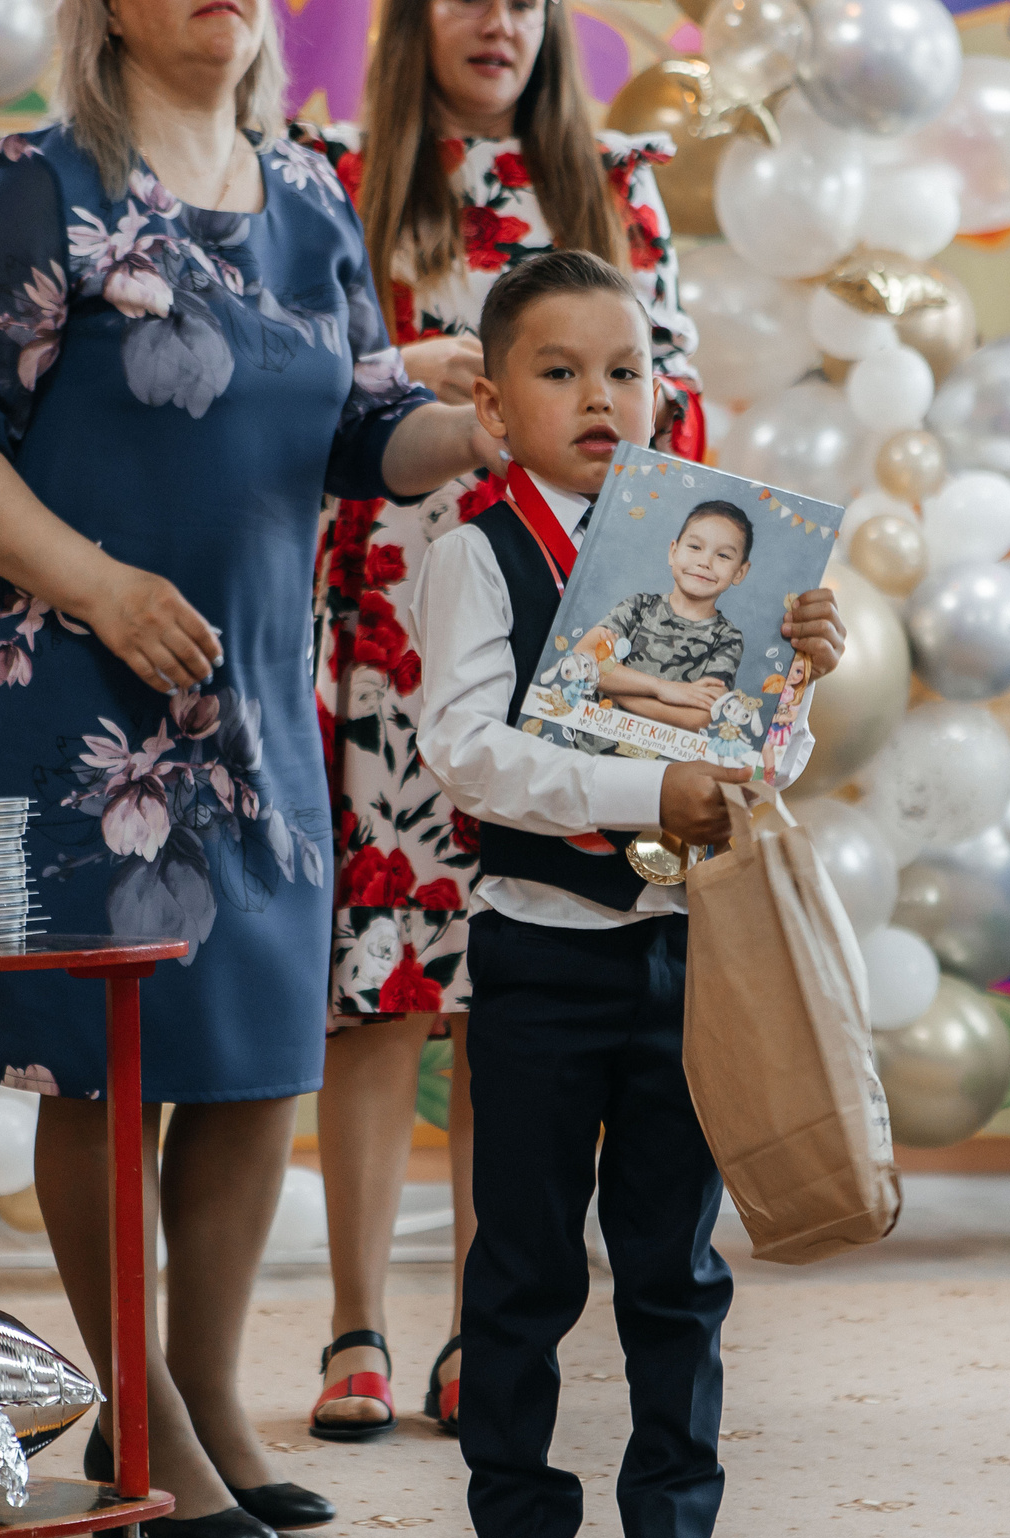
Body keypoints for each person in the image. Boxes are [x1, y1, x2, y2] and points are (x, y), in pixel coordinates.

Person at [0, 0, 493, 1538]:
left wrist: (475, 426)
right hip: (71, 681)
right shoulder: (40, 183)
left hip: (258, 679)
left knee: (254, 1051)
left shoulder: (311, 196)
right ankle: (132, 1411)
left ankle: (207, 1393)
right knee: (110, 1048)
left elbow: (362, 430)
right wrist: (96, 585)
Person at [409, 250, 842, 1538]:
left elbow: (753, 767)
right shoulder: (476, 553)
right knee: (524, 1264)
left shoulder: (707, 554)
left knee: (676, 1266)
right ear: (492, 403)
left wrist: (794, 683)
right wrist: (641, 790)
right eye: (559, 372)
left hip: (687, 958)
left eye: (624, 370)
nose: (599, 396)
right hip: (540, 954)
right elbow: (467, 754)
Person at [295, 0, 702, 1449]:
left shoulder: (618, 181)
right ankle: (355, 1322)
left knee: (507, 983)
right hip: (393, 609)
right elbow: (308, 397)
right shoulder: (338, 177)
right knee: (380, 978)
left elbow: (674, 418)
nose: (496, 21)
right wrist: (422, 368)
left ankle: (485, 1321)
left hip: (580, 625)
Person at [573, 499, 751, 735]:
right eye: (695, 547)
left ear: (740, 572)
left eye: (723, 556)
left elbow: (698, 718)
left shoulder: (727, 638)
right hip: (588, 748)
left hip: (659, 757)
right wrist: (663, 689)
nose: (705, 562)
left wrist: (615, 685)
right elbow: (582, 660)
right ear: (673, 552)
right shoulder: (638, 607)